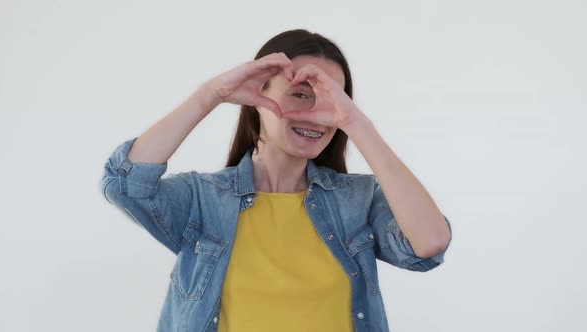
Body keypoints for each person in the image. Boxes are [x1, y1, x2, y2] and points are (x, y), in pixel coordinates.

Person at [100, 28, 452, 332]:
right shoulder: (203, 200)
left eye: (331, 98)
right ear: (258, 96)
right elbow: (124, 183)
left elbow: (429, 243)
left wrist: (357, 123)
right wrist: (211, 95)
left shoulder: (357, 200)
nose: (317, 116)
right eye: (300, 94)